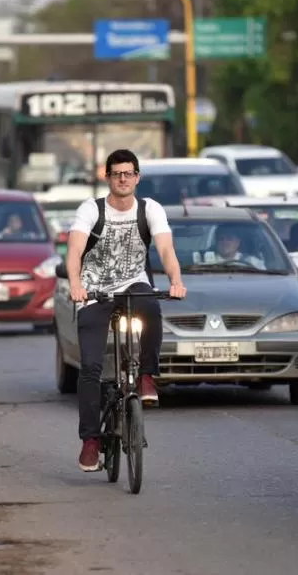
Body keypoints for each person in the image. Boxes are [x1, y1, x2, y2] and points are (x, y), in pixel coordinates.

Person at [66, 149, 186, 472]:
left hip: (133, 284)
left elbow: (165, 248)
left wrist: (176, 280)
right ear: (107, 177)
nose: (123, 179)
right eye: (116, 173)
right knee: (90, 367)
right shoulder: (92, 210)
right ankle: (90, 441)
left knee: (151, 307)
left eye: (128, 173)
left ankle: (146, 377)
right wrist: (76, 284)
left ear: (137, 177)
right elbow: (74, 249)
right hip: (95, 290)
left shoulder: (150, 210)